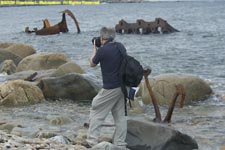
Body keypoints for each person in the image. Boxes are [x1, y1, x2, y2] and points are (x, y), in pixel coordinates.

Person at [83, 27, 127, 149]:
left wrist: (94, 48)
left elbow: (92, 63)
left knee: (96, 109)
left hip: (110, 87)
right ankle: (120, 144)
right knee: (120, 117)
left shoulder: (103, 50)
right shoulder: (120, 46)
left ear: (102, 38)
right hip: (123, 86)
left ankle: (91, 141)